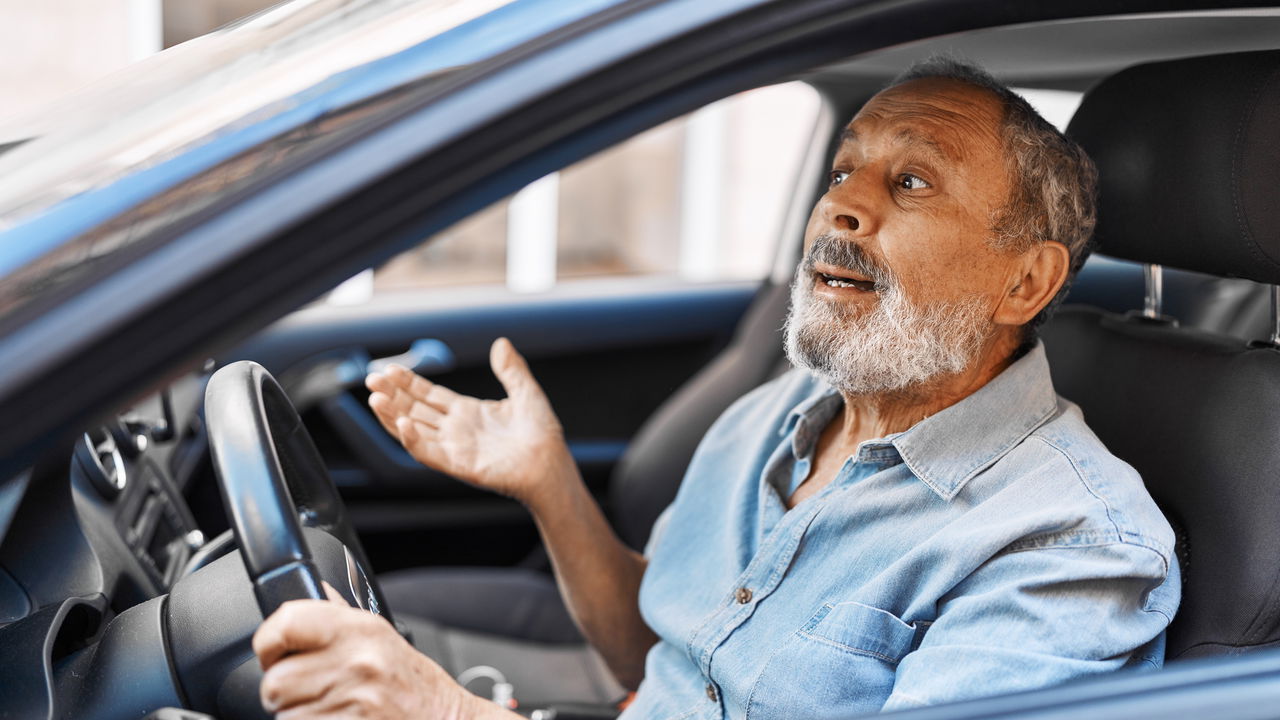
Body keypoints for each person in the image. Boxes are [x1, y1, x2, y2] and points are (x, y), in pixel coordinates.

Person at [250, 58, 1179, 718]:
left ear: (1024, 282)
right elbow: (656, 657)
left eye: (914, 181)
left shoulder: (1073, 546)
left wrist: (447, 716)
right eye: (845, 167)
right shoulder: (779, 412)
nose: (845, 205)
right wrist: (547, 482)